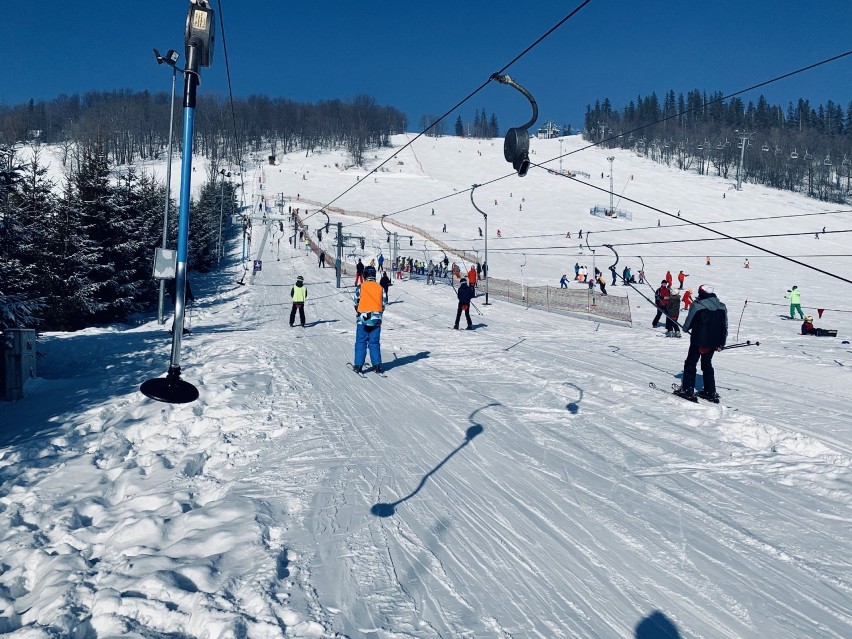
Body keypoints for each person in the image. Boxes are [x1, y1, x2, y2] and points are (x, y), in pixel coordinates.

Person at [675, 284, 728, 402]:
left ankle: (688, 390)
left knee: (691, 363)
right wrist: (721, 343)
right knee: (707, 364)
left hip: (698, 340)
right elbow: (724, 326)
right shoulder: (722, 307)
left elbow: (688, 322)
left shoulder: (697, 305)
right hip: (713, 342)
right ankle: (710, 391)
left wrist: (685, 328)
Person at [352, 265, 387, 373]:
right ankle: (377, 365)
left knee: (361, 341)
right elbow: (384, 303)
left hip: (363, 319)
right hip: (376, 319)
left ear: (365, 275)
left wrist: (358, 309)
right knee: (374, 342)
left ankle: (358, 365)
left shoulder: (361, 287)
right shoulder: (380, 288)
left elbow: (355, 301)